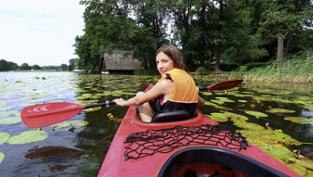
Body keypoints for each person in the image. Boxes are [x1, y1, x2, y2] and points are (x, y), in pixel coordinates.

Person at [113, 43, 202, 122]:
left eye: (164, 61)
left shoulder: (164, 84)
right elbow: (202, 103)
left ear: (175, 61)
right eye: (157, 62)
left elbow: (138, 101)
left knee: (140, 94)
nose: (159, 66)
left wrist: (123, 102)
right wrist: (194, 91)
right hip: (185, 120)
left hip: (160, 124)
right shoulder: (189, 80)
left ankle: (148, 123)